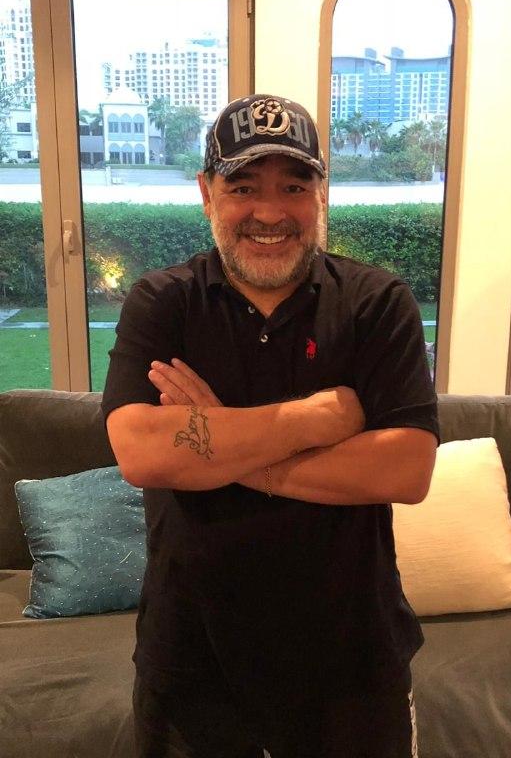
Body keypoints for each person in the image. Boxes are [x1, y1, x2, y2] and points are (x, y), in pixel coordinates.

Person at [103, 93, 439, 758]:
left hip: (351, 665)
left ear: (320, 195)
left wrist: (215, 444)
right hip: (192, 661)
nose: (269, 211)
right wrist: (315, 419)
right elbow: (140, 451)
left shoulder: (376, 303)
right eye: (243, 186)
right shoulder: (164, 302)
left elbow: (407, 468)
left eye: (294, 186)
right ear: (206, 193)